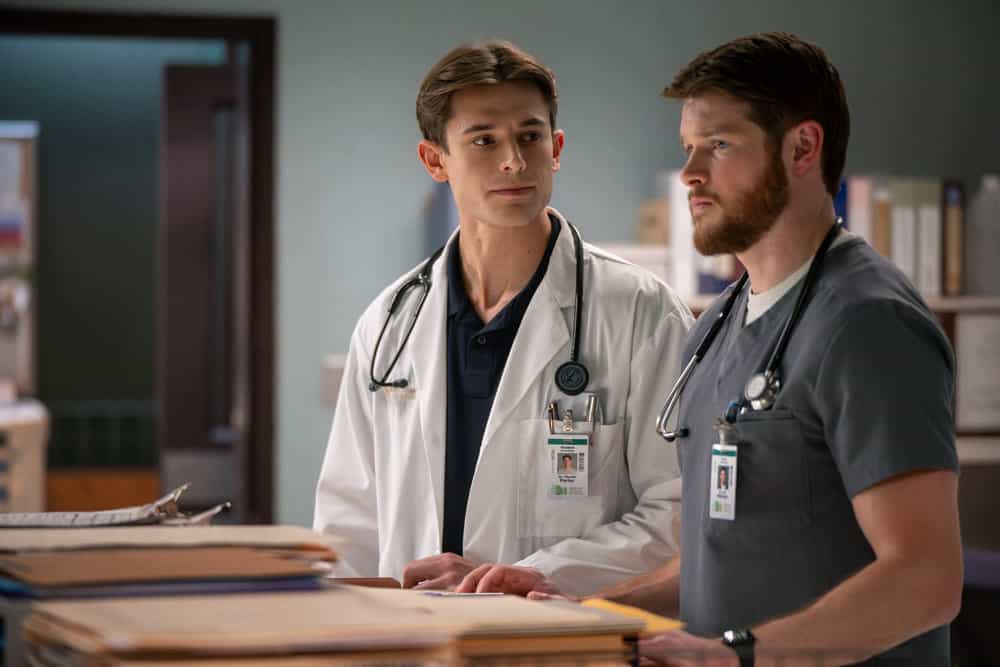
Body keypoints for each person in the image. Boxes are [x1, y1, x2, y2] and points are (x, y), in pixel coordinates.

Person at [461, 33, 962, 666]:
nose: (691, 173)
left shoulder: (868, 325)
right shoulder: (720, 322)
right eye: (689, 148)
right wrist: (580, 604)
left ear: (803, 147)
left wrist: (742, 655)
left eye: (719, 145)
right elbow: (718, 558)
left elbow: (926, 578)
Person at [313, 39, 692, 597]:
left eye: (530, 136)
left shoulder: (642, 313)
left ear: (556, 147)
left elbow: (679, 513)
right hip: (414, 643)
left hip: (559, 639)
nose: (513, 160)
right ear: (434, 160)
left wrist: (533, 577)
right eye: (484, 140)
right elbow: (348, 522)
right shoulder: (389, 324)